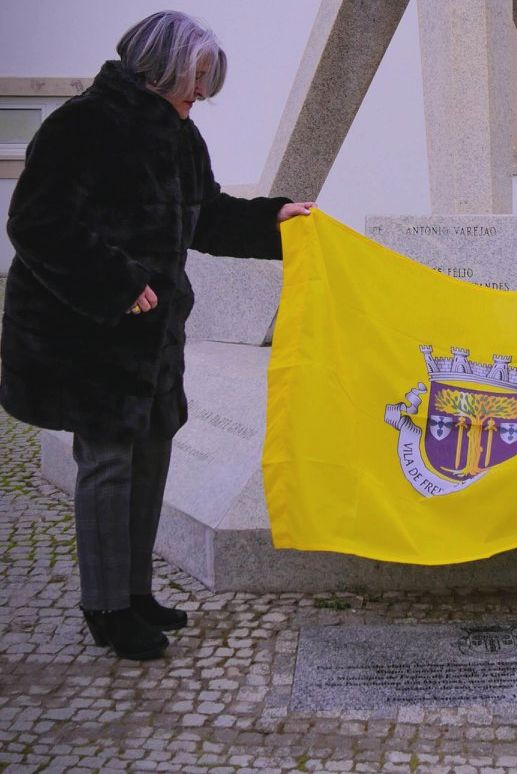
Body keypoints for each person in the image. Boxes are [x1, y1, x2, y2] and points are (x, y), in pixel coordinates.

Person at [0, 11, 315, 661]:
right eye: (196, 78)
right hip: (90, 333)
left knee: (150, 461)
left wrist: (276, 219)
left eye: (205, 81)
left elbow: (210, 218)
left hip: (155, 336)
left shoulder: (180, 136)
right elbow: (35, 222)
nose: (200, 93)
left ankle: (136, 594)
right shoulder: (82, 125)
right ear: (162, 67)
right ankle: (106, 610)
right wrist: (115, 282)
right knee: (109, 464)